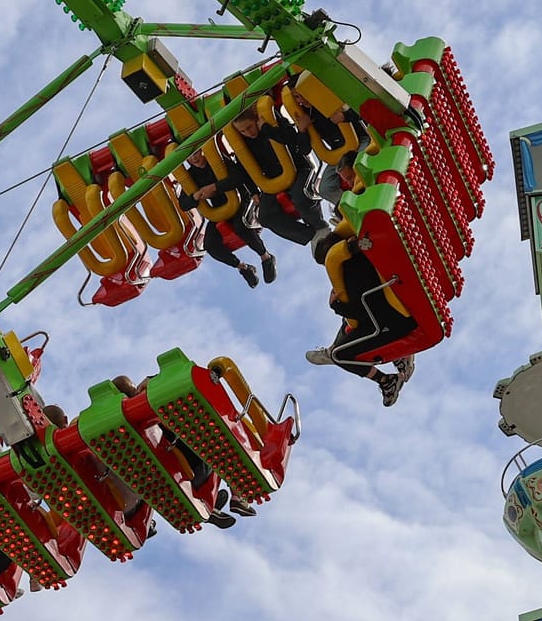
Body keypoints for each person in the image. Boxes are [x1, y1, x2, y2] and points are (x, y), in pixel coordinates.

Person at [111, 376, 253, 526]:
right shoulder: (150, 406)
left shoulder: (117, 431)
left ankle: (210, 501)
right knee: (219, 436)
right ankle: (237, 496)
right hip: (188, 472)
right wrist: (149, 383)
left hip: (164, 484)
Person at [304, 229, 418, 407]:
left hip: (392, 322)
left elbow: (365, 312)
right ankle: (397, 357)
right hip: (402, 307)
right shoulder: (367, 251)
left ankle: (387, 380)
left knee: (339, 354)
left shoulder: (349, 270)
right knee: (347, 329)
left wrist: (337, 306)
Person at [228, 108, 327, 251]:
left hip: (298, 169)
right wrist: (254, 192)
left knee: (300, 196)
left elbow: (296, 142)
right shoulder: (244, 145)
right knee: (265, 216)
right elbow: (244, 170)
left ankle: (320, 227)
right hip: (274, 180)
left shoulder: (272, 122)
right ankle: (311, 236)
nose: (248, 133)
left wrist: (267, 129)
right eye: (242, 131)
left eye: (249, 127)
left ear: (256, 118)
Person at [177, 146, 273, 288]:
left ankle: (266, 257)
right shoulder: (191, 176)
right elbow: (183, 204)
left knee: (240, 226)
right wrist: (194, 197)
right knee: (210, 244)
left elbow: (238, 177)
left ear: (202, 150)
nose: (194, 158)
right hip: (219, 209)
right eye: (189, 157)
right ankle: (243, 268)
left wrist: (215, 187)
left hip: (240, 201)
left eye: (196, 153)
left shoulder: (218, 160)